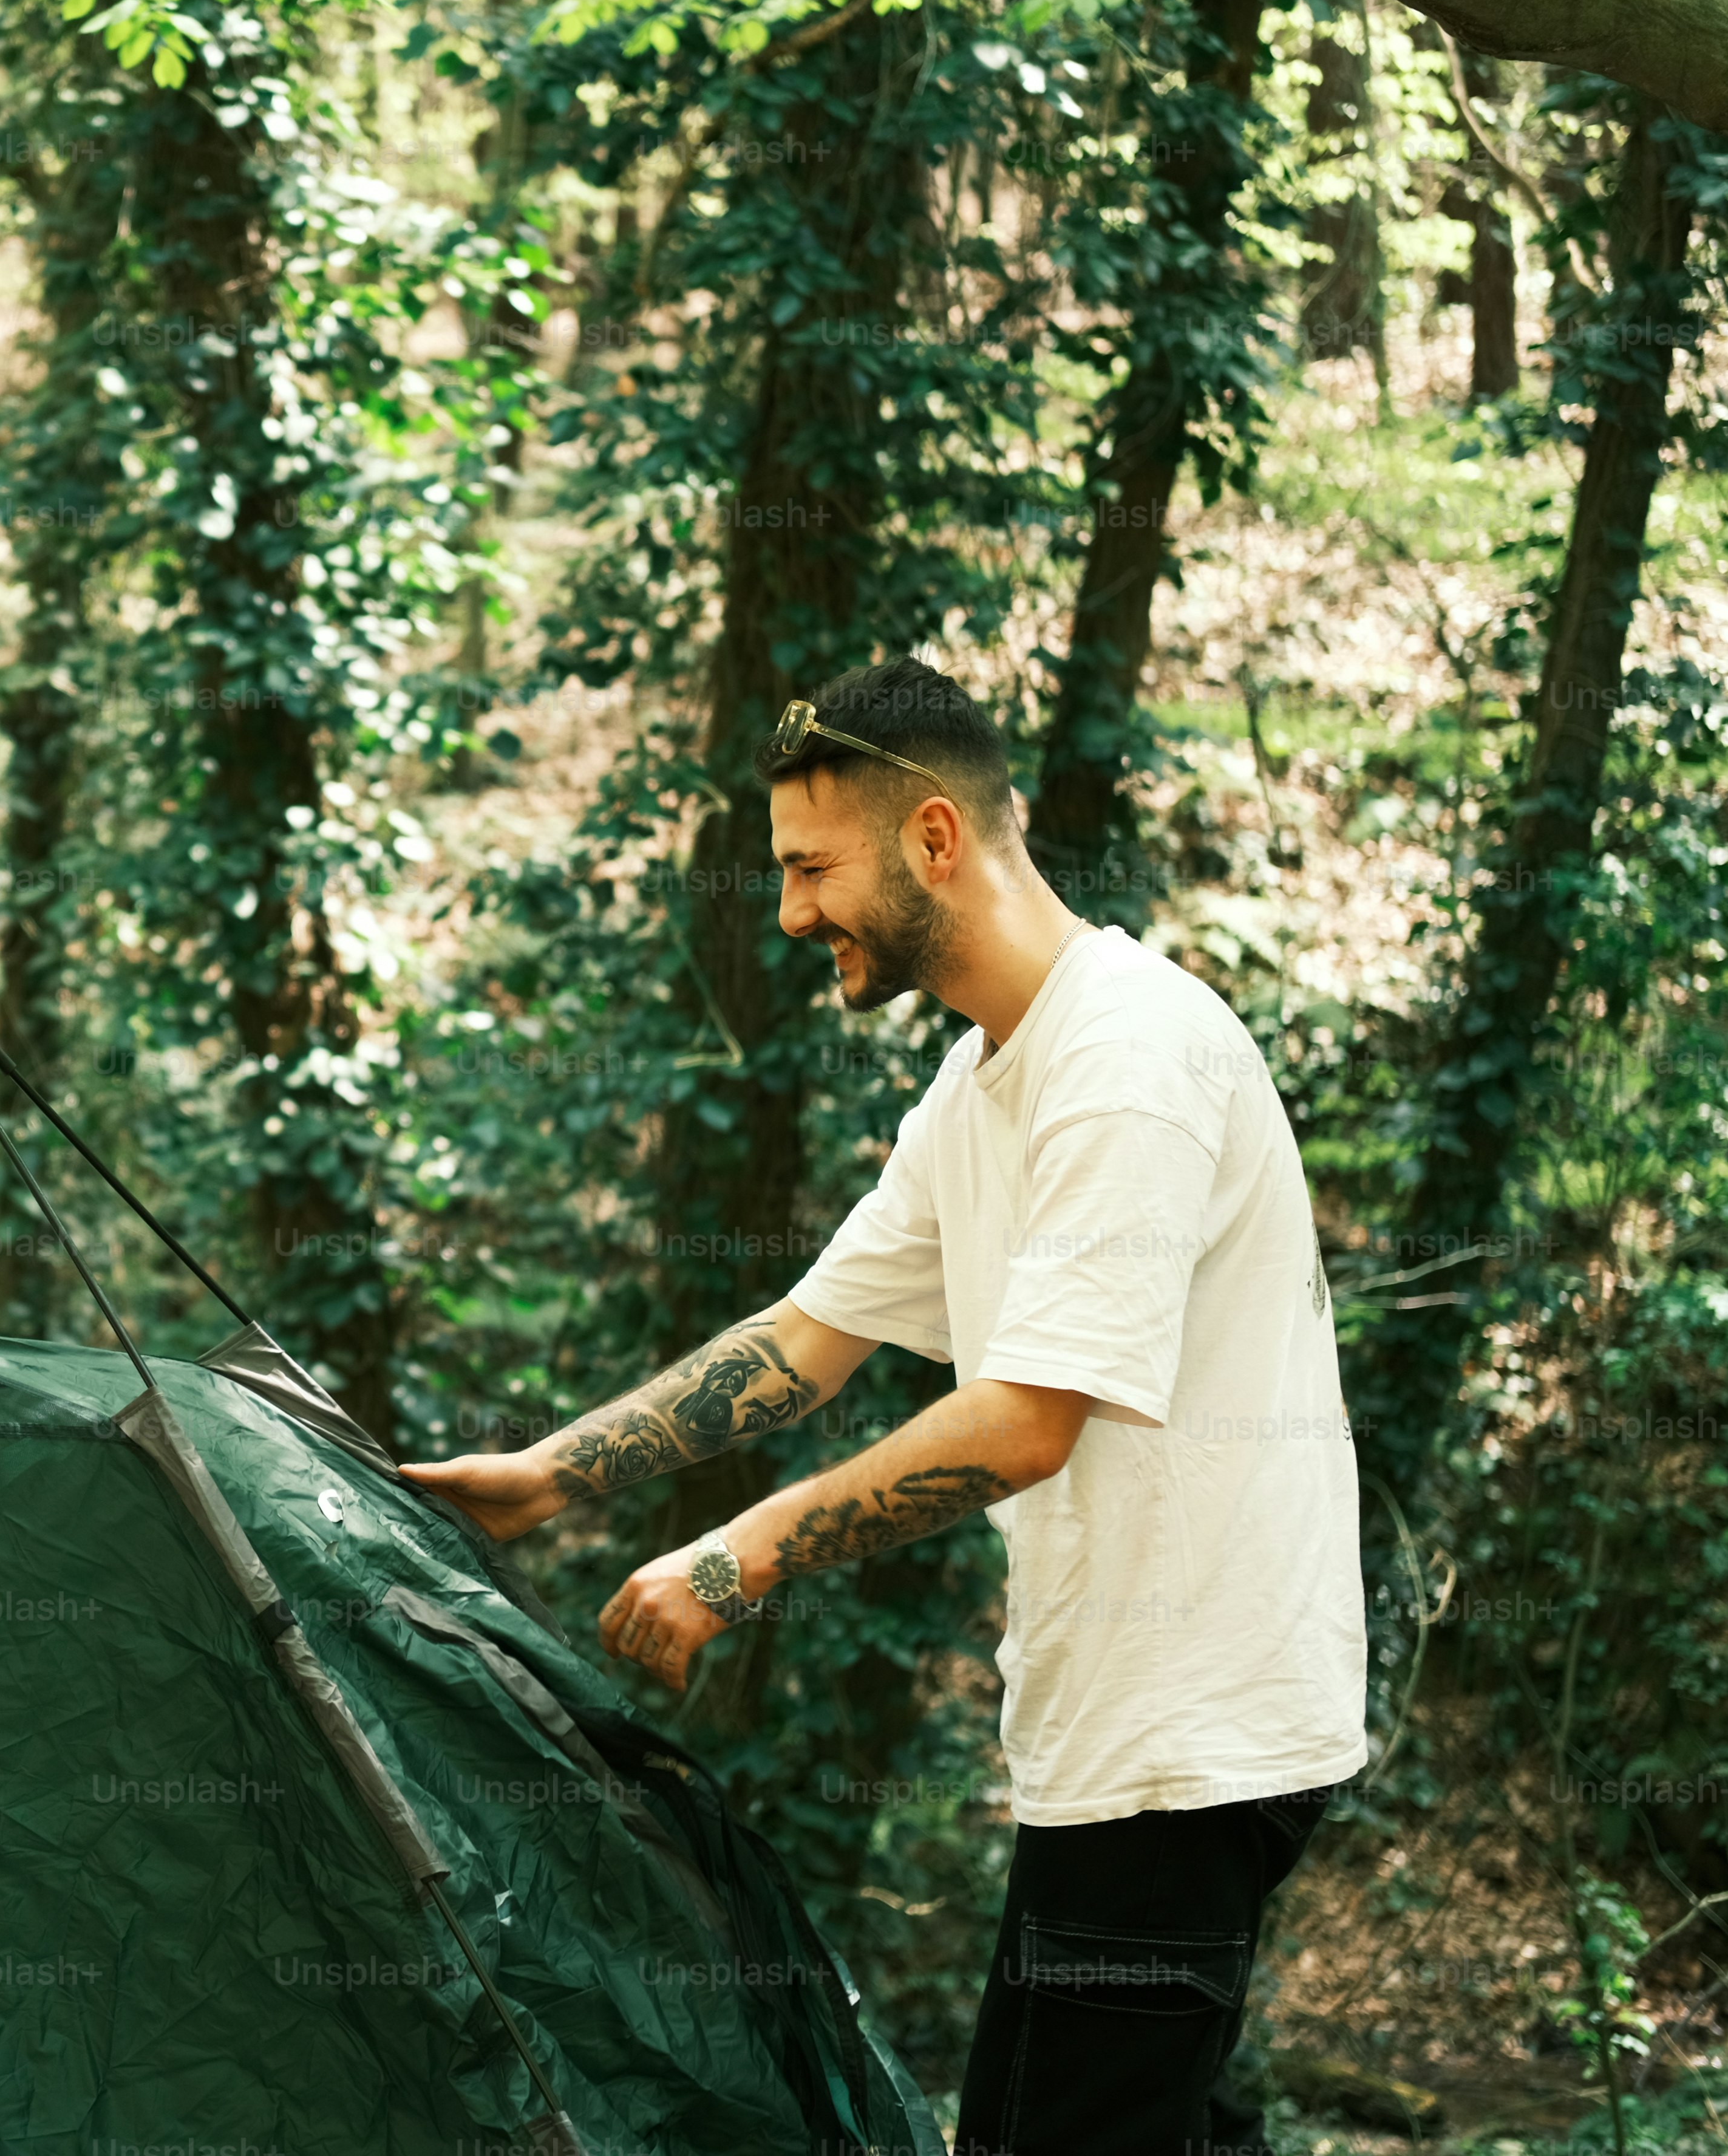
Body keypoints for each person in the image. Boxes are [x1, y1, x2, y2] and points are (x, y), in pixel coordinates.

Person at [403, 658, 1367, 2156]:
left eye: (809, 867)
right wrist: (549, 1473)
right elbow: (801, 1343)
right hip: (1124, 1739)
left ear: (932, 838)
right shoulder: (983, 1082)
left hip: (1190, 1741)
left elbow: (1027, 1418)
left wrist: (737, 1556)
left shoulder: (1127, 1059)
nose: (789, 913)